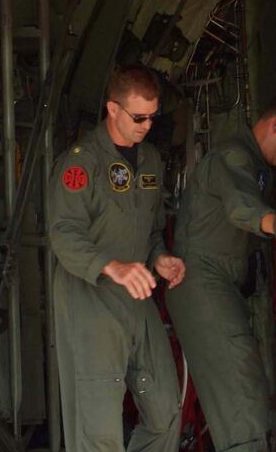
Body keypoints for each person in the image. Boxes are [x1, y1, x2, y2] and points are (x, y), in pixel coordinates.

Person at [48, 64, 186, 452]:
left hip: (136, 298)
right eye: (138, 117)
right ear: (113, 109)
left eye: (152, 117)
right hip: (89, 300)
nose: (146, 125)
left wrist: (160, 258)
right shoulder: (81, 163)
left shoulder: (151, 162)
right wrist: (112, 266)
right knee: (98, 431)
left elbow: (152, 228)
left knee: (166, 412)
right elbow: (63, 233)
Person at [167, 97, 276, 451]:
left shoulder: (263, 169)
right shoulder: (233, 156)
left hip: (222, 285)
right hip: (201, 281)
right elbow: (241, 209)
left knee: (249, 378)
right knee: (240, 383)